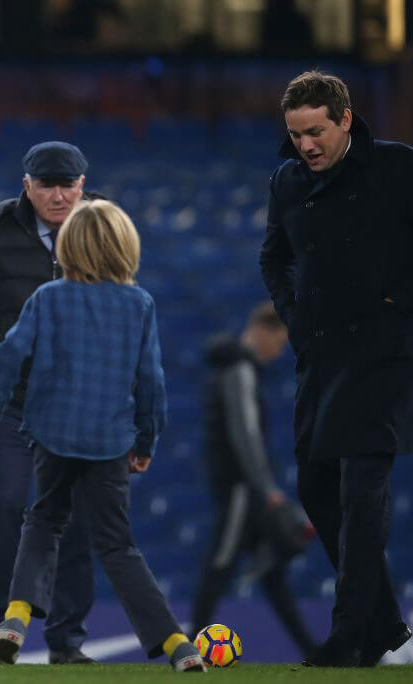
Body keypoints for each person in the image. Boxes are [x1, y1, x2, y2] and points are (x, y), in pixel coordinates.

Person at [0, 200, 205, 672]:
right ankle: (178, 645)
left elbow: (9, 356)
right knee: (118, 545)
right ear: (126, 248)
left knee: (42, 523)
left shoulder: (48, 297)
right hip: (110, 441)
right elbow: (151, 382)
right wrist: (146, 442)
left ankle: (12, 625)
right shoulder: (140, 305)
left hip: (53, 435)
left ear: (68, 246)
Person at [259, 70, 413, 667]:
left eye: (316, 131)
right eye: (296, 135)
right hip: (318, 356)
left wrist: (398, 303)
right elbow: (274, 256)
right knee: (314, 486)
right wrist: (294, 317)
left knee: (361, 492)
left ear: (346, 120)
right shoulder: (287, 182)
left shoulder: (399, 168)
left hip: (382, 356)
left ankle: (350, 638)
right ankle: (386, 630)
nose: (306, 145)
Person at [0, 141, 96, 664]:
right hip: (9, 401)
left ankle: (67, 640)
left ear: (82, 184)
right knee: (8, 501)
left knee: (78, 515)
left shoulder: (103, 233)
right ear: (27, 185)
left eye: (67, 185)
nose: (57, 196)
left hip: (79, 405)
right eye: (46, 186)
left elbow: (125, 317)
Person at [190, 302, 316, 657]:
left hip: (240, 484)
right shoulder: (240, 368)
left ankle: (311, 649)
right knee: (222, 559)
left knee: (272, 568)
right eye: (279, 342)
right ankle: (190, 642)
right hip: (240, 487)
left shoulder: (233, 366)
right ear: (263, 331)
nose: (278, 351)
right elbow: (245, 432)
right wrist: (266, 488)